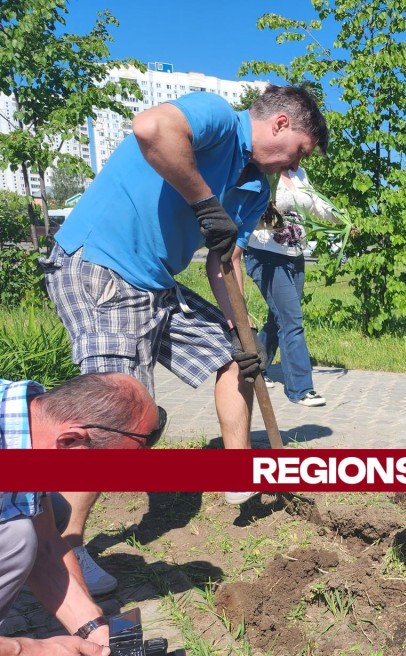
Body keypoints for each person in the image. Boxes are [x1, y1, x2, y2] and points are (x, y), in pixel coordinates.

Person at [39, 84, 329, 594]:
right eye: (298, 153)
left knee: (234, 358)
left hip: (154, 281)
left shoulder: (255, 189)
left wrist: (244, 335)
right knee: (117, 413)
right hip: (102, 266)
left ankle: (241, 478)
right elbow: (151, 129)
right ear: (281, 124)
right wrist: (203, 201)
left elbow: (225, 258)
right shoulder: (217, 120)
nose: (291, 169)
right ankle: (63, 548)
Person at [0, 372, 162, 656]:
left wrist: (93, 629)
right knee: (15, 537)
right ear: (71, 441)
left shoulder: (27, 423)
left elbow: (47, 545)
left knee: (45, 514)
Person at [245, 168, 340, 406]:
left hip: (295, 255)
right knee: (291, 321)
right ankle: (301, 389)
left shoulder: (300, 173)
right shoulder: (264, 170)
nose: (303, 155)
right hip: (266, 255)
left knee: (279, 319)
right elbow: (245, 210)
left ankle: (257, 367)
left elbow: (316, 202)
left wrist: (340, 218)